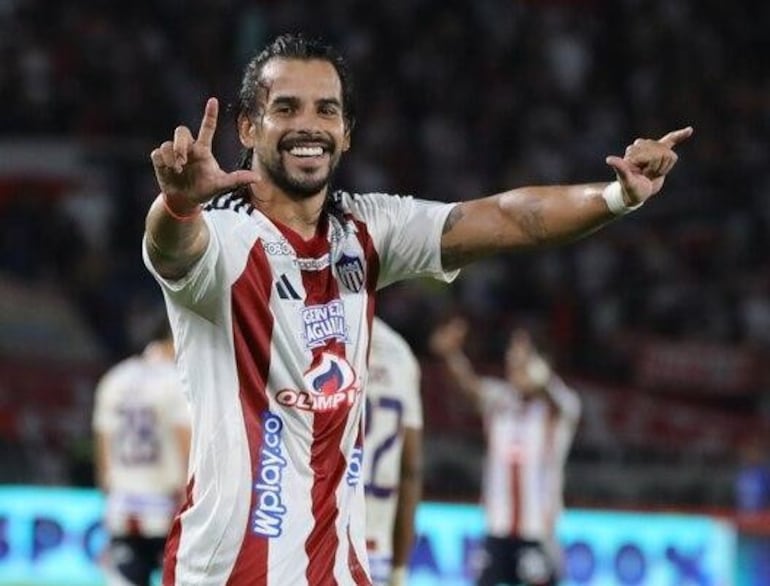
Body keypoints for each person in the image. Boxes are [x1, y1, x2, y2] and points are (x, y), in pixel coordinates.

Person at [142, 32, 691, 585]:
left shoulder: (367, 228)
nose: (309, 125)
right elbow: (172, 249)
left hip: (340, 571)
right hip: (227, 573)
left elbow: (505, 217)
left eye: (326, 110)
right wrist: (179, 205)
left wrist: (617, 196)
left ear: (346, 132)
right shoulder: (224, 240)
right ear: (247, 127)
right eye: (286, 108)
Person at [430, 317, 580, 586]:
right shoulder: (499, 399)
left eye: (522, 356)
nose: (513, 362)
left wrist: (541, 377)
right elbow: (469, 386)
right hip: (496, 529)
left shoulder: (558, 406)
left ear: (540, 363)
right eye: (511, 355)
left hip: (536, 531)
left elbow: (560, 402)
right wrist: (451, 354)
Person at [93, 319, 191, 586]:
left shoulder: (115, 378)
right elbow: (185, 438)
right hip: (168, 506)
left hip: (123, 505)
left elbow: (103, 444)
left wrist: (108, 492)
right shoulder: (177, 379)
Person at [363, 317, 423, 586]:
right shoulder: (400, 352)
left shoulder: (309, 333)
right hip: (376, 550)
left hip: (317, 541)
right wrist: (399, 568)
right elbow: (410, 468)